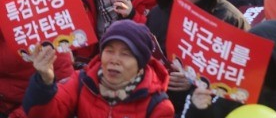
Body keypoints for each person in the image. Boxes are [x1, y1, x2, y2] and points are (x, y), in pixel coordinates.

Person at [22, 20, 174, 118]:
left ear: (141, 64)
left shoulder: (158, 105)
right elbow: (42, 114)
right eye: (109, 51)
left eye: (126, 54)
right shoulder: (82, 81)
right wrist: (44, 81)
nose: (115, 60)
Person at [185, 20, 276, 118]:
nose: (254, 66)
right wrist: (198, 110)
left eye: (264, 61)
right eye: (249, 56)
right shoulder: (232, 95)